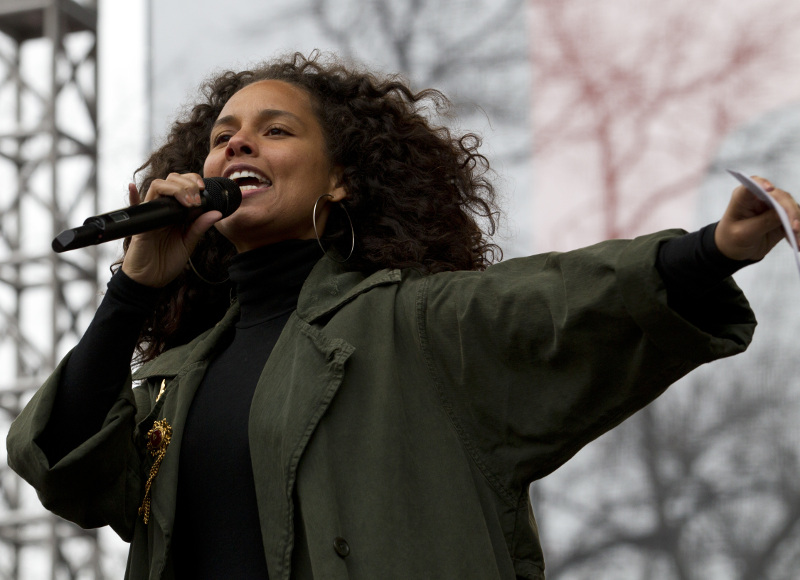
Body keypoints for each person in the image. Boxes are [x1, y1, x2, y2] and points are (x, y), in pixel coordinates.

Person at [6, 51, 799, 580]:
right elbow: (66, 465)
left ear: (341, 180)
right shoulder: (174, 382)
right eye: (222, 138)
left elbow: (562, 301)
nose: (238, 146)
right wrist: (133, 291)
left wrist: (712, 251)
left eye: (275, 131)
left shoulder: (415, 325)